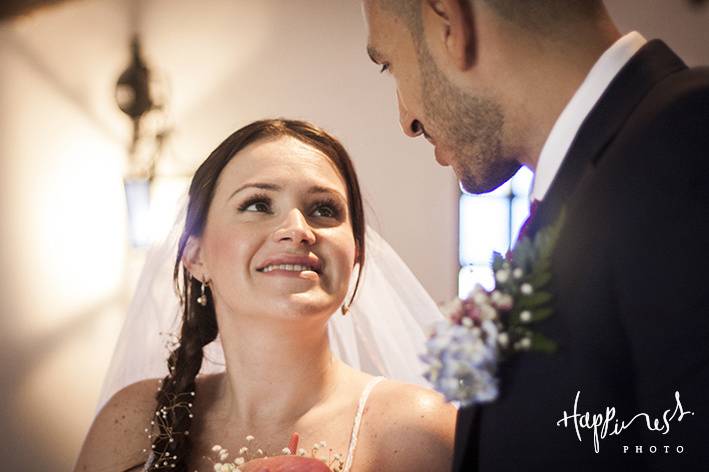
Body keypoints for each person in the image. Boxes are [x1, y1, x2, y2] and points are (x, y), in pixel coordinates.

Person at [362, 1, 709, 471]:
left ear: (450, 21)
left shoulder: (686, 139)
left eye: (389, 65)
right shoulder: (587, 194)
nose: (407, 121)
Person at [74, 119, 455, 472]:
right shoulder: (129, 420)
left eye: (324, 209)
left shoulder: (417, 428)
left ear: (356, 253)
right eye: (257, 204)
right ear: (195, 255)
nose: (297, 229)